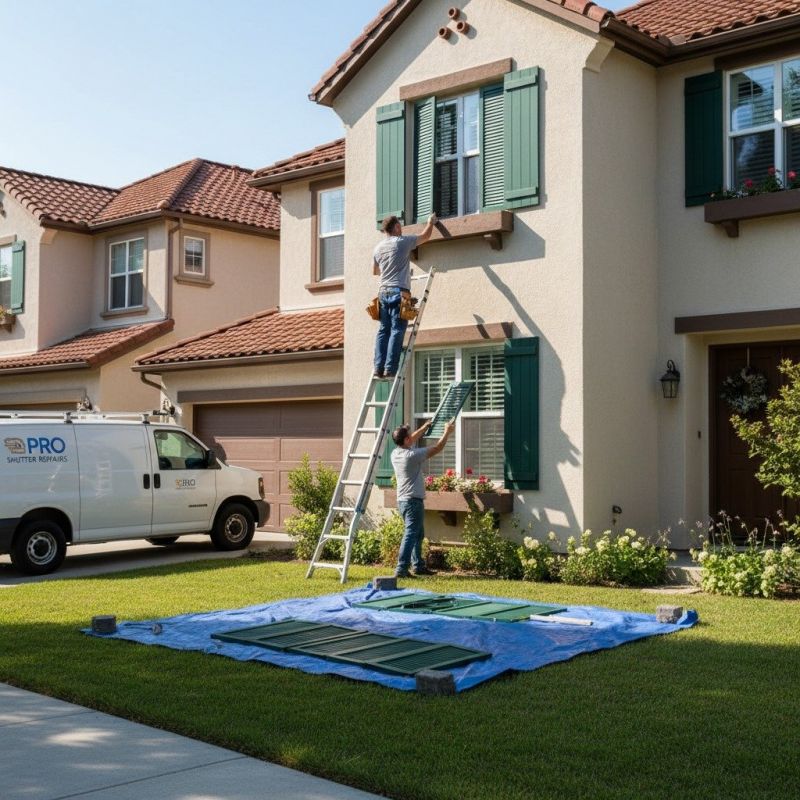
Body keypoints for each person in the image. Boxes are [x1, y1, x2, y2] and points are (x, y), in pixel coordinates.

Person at [372, 212, 437, 378]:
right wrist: (430, 222)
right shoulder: (402, 242)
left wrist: (390, 266)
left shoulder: (378, 248)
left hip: (382, 292)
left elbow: (375, 271)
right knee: (397, 330)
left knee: (383, 330)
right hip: (399, 292)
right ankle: (390, 369)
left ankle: (378, 368)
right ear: (396, 227)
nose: (401, 229)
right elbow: (425, 236)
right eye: (399, 226)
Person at [391, 417, 455, 577]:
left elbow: (411, 439)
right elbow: (438, 447)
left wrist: (424, 428)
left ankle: (418, 566)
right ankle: (401, 569)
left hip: (404, 501)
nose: (412, 436)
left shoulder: (395, 453)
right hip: (412, 501)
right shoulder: (411, 455)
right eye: (409, 435)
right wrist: (447, 432)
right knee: (411, 534)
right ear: (406, 440)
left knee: (418, 534)